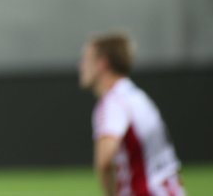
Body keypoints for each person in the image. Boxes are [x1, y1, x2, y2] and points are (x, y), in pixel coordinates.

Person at [79, 33, 185, 196]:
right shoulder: (135, 95)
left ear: (102, 64)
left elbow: (105, 161)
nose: (81, 66)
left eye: (86, 60)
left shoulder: (112, 103)